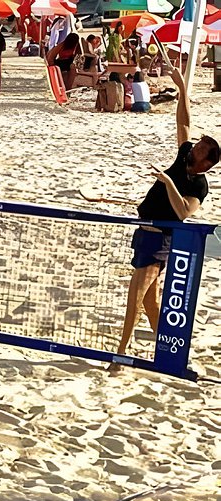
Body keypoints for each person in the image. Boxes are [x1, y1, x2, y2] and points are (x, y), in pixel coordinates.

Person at [115, 67, 220, 367]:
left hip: (160, 240)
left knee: (135, 297)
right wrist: (183, 88)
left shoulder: (199, 185)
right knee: (150, 302)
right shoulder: (185, 153)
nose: (194, 147)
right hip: (145, 231)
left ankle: (121, 355)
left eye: (201, 149)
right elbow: (184, 122)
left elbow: (184, 212)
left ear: (206, 163)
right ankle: (170, 356)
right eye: (198, 144)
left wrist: (168, 182)